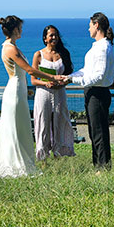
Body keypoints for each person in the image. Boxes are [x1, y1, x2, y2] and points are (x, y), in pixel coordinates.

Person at [0, 16, 63, 178]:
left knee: (19, 125)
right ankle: (13, 162)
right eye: (20, 28)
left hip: (19, 89)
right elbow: (30, 70)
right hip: (14, 90)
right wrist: (53, 78)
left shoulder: (12, 46)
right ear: (15, 29)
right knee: (13, 126)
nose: (22, 30)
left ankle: (20, 159)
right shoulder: (10, 49)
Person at [66, 12, 114, 171]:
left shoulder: (102, 47)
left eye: (89, 26)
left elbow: (99, 76)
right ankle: (99, 166)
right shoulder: (99, 46)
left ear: (96, 25)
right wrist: (69, 77)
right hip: (94, 93)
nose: (88, 29)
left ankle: (103, 168)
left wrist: (72, 80)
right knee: (94, 131)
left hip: (97, 93)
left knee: (99, 133)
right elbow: (87, 70)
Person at [31, 25, 76, 160]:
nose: (54, 38)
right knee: (42, 122)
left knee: (61, 120)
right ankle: (43, 155)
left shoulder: (63, 54)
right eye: (51, 35)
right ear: (45, 38)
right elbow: (33, 80)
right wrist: (46, 83)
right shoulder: (38, 54)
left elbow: (70, 75)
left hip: (60, 92)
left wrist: (64, 82)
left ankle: (59, 153)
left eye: (56, 35)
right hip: (43, 92)